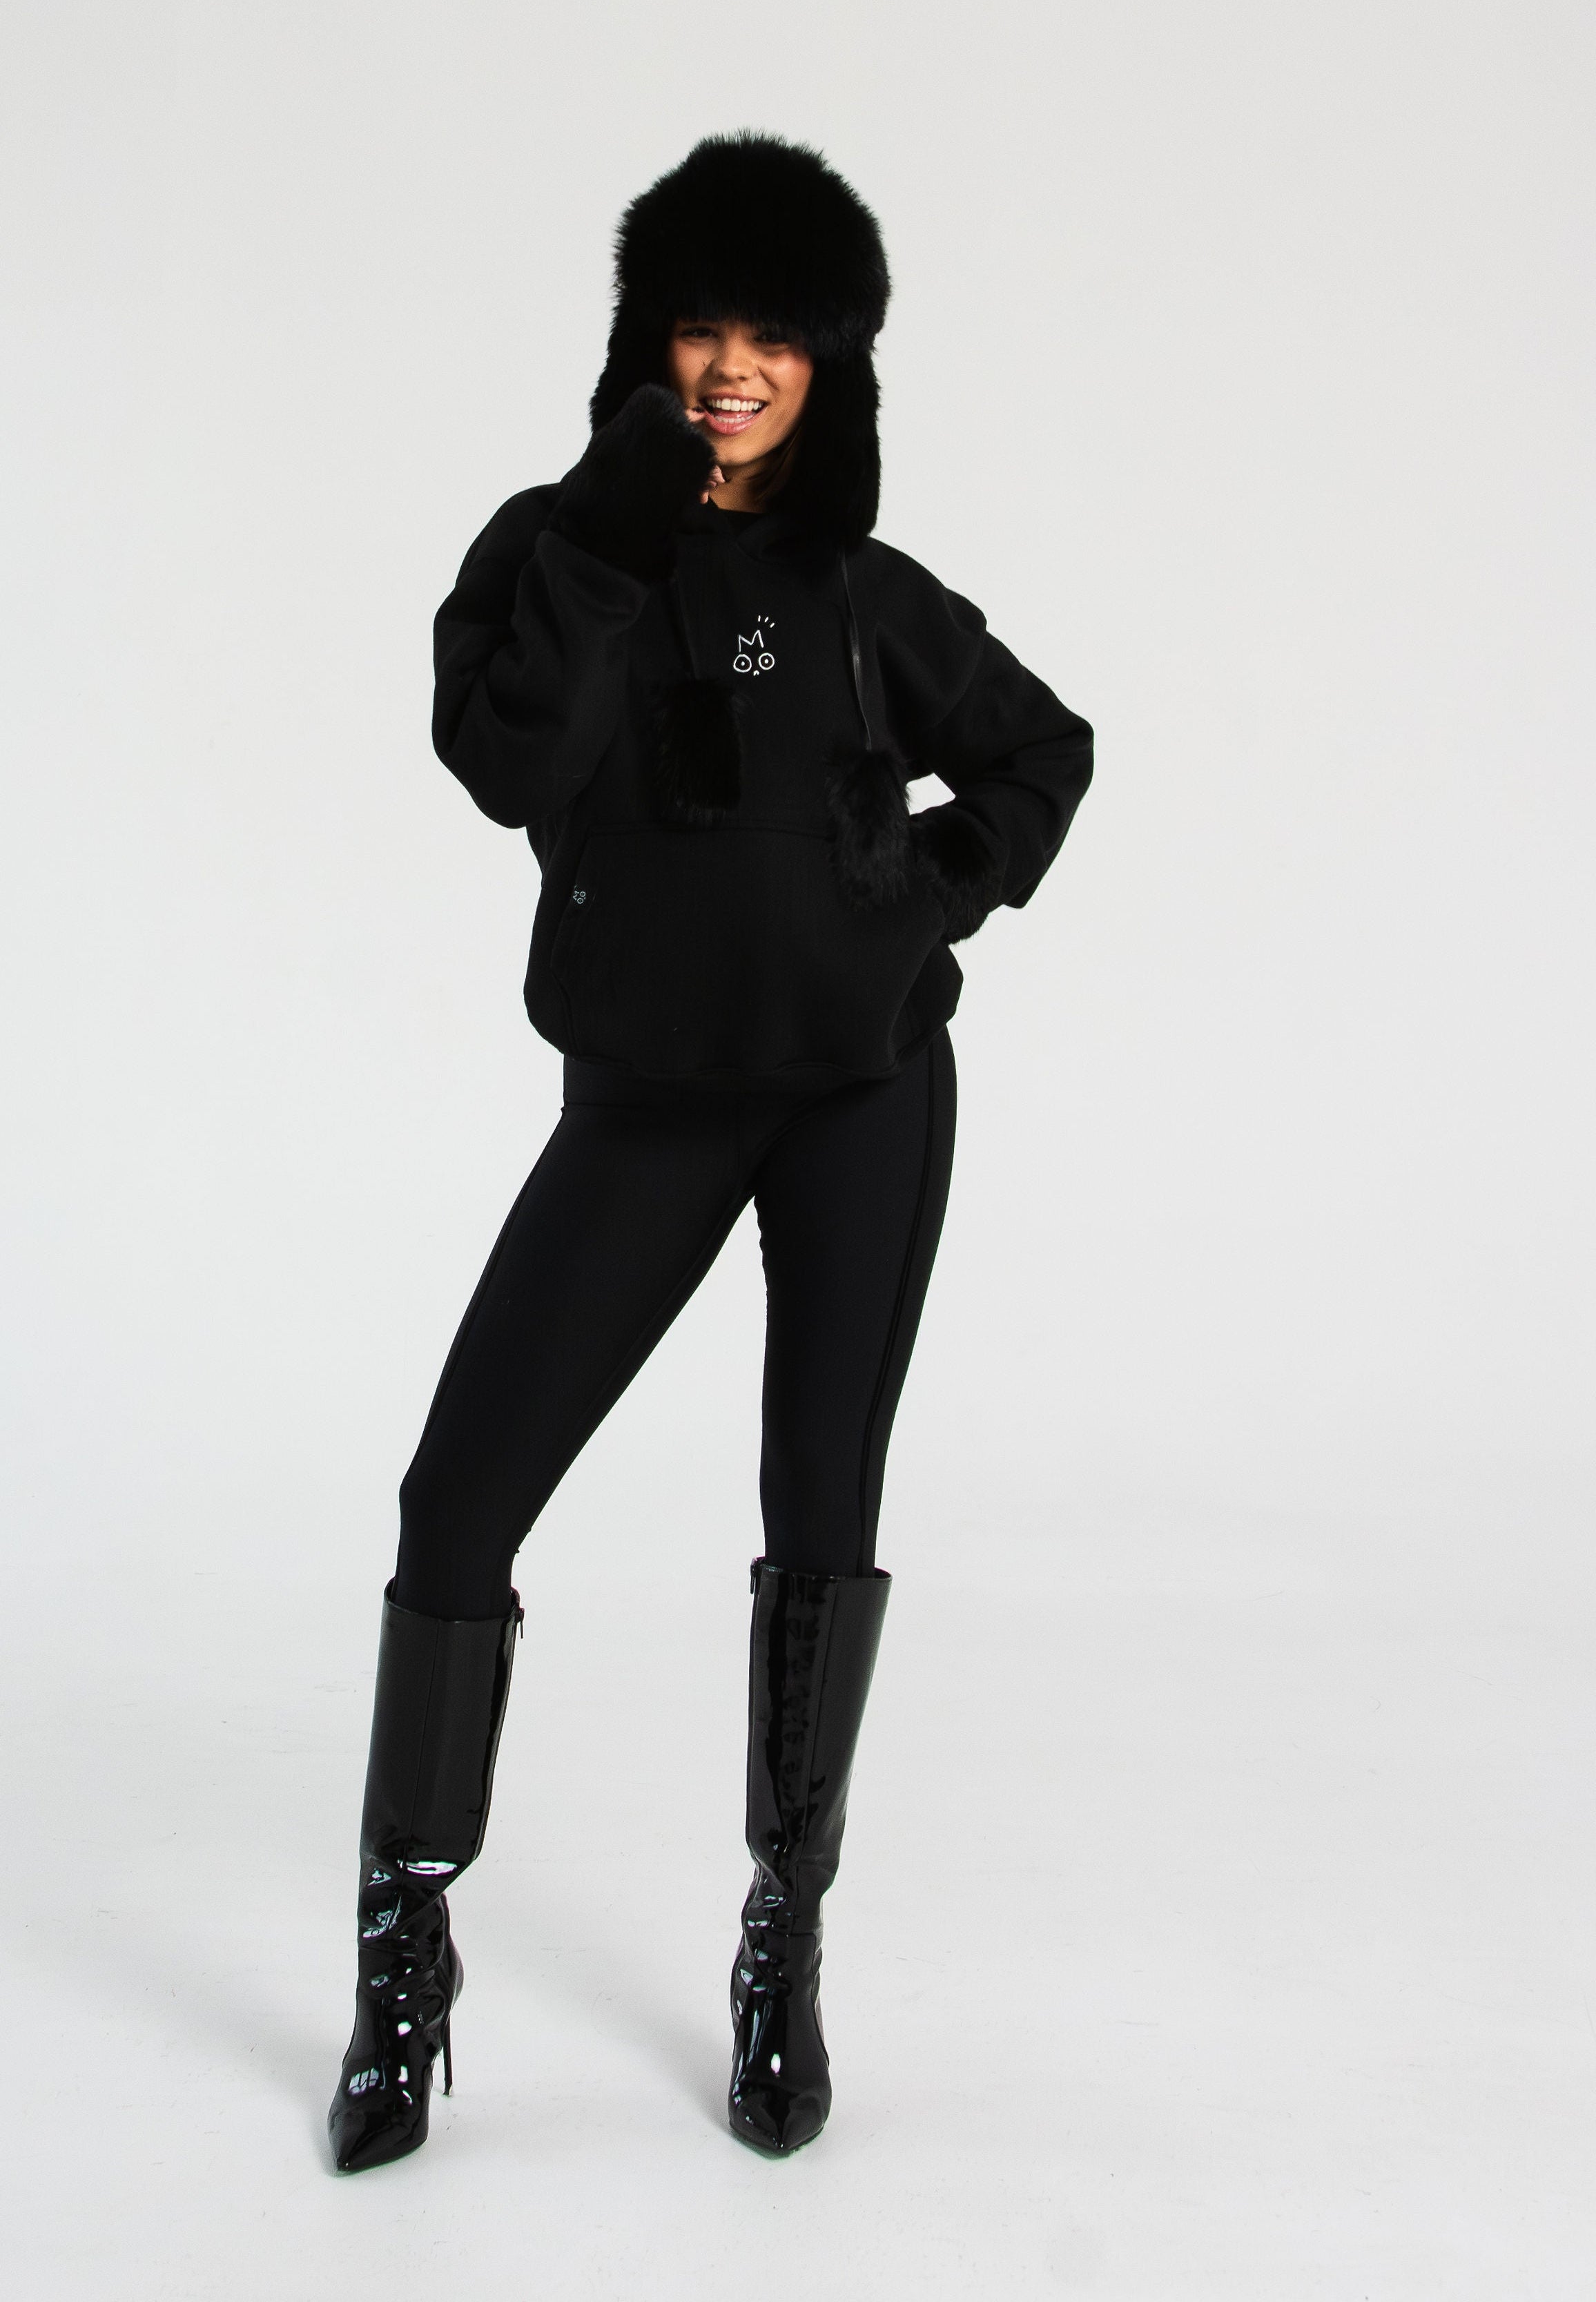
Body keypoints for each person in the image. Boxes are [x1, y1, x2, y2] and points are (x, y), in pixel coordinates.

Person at [328, 130, 1093, 2170]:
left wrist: (924, 891)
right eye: (702, 328)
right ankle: (402, 1953)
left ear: (830, 367)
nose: (736, 367)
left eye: (776, 337)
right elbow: (503, 764)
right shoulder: (549, 548)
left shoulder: (861, 592)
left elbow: (1045, 748)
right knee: (457, 1496)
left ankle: (785, 1940)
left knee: (819, 1506)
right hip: (649, 1105)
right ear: (647, 344)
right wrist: (607, 534)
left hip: (864, 1099)